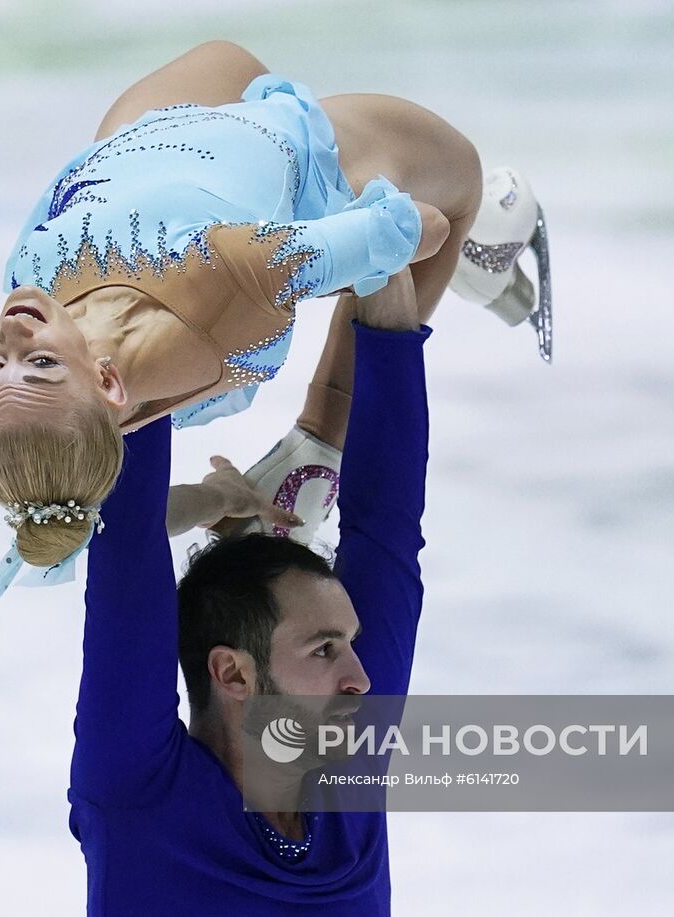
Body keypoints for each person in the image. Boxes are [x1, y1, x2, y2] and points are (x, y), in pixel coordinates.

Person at [0, 41, 551, 618]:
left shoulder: (39, 360)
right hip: (277, 164)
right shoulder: (229, 274)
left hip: (145, 147)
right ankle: (323, 436)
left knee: (226, 58)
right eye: (40, 364)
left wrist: (212, 499)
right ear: (108, 382)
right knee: (457, 188)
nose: (13, 337)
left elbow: (103, 520)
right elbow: (419, 232)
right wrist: (350, 245)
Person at [67, 249, 433, 913]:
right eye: (326, 648)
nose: (363, 677)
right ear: (232, 674)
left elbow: (388, 532)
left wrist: (382, 258)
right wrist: (380, 272)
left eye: (342, 645)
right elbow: (389, 526)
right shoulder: (140, 793)